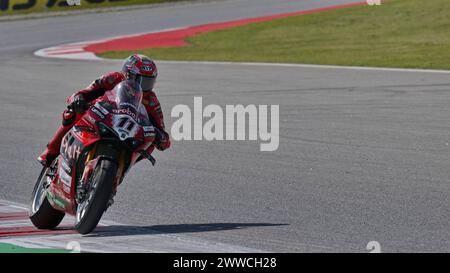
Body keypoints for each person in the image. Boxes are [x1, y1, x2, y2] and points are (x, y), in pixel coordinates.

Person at [37, 54, 170, 167]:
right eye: (142, 81)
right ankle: (50, 152)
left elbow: (163, 135)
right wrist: (78, 99)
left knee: (150, 141)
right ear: (128, 74)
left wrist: (160, 137)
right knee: (73, 112)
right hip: (102, 118)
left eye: (149, 82)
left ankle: (114, 179)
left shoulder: (151, 100)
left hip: (127, 133)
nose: (145, 87)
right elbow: (84, 92)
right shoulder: (113, 79)